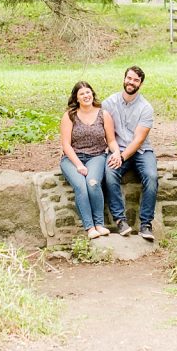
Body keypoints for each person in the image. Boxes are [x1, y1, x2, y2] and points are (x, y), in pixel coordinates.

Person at [59, 81, 123, 239]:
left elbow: (111, 140)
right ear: (76, 98)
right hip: (72, 159)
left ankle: (99, 225)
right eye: (82, 94)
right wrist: (79, 165)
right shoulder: (69, 116)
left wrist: (116, 152)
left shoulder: (103, 114)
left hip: (97, 156)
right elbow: (66, 145)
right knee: (81, 186)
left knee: (93, 183)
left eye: (88, 92)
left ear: (92, 94)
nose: (86, 96)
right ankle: (90, 228)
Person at [102, 66, 158, 241]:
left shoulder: (146, 108)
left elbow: (138, 140)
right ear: (124, 78)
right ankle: (120, 220)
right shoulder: (109, 103)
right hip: (116, 148)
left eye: (135, 80)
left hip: (140, 150)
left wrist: (122, 156)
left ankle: (146, 224)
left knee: (151, 176)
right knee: (110, 173)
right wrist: (116, 154)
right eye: (129, 78)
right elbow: (107, 132)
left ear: (140, 83)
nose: (131, 82)